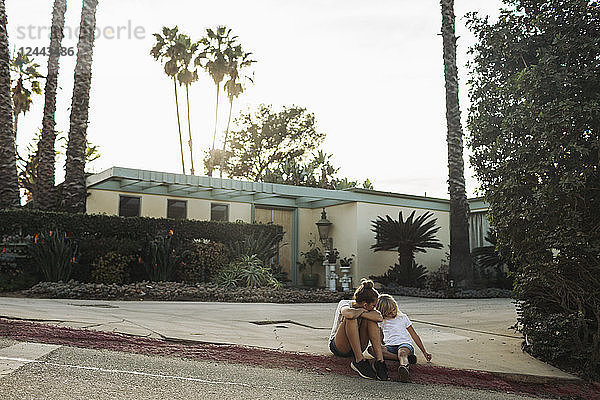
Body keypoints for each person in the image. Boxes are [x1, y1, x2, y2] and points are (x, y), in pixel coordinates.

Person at [328, 278, 388, 380]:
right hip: (340, 346)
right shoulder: (345, 303)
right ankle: (359, 361)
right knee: (350, 319)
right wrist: (361, 311)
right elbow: (349, 314)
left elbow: (379, 317)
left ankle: (380, 362)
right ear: (365, 304)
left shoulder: (368, 309)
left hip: (359, 346)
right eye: (373, 305)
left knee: (371, 320)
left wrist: (361, 312)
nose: (375, 308)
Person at [374, 294, 432, 382]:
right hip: (390, 347)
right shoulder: (381, 321)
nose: (393, 313)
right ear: (382, 312)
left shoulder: (402, 317)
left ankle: (404, 368)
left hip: (404, 345)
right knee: (372, 349)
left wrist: (424, 352)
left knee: (402, 352)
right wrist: (381, 347)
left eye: (394, 309)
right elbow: (380, 337)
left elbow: (414, 335)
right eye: (389, 313)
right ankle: (407, 359)